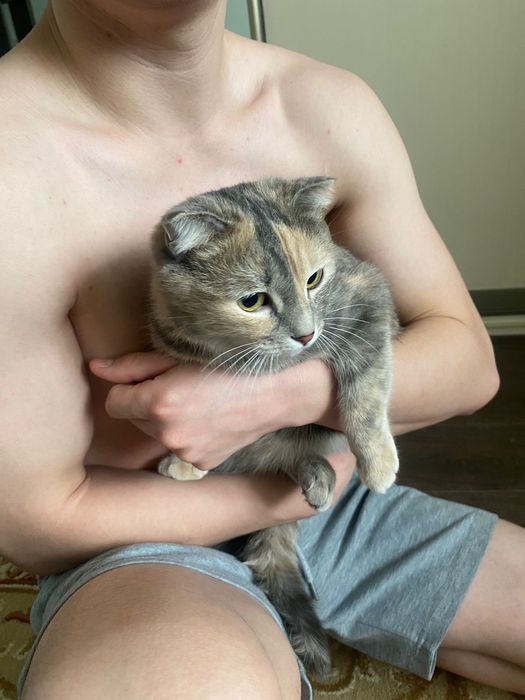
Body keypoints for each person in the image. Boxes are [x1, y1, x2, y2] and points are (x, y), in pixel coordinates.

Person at [0, 1, 523, 698]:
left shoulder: (325, 105)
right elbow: (35, 526)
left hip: (330, 491)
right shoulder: (13, 159)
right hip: (137, 534)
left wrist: (274, 398)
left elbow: (468, 365)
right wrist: (280, 500)